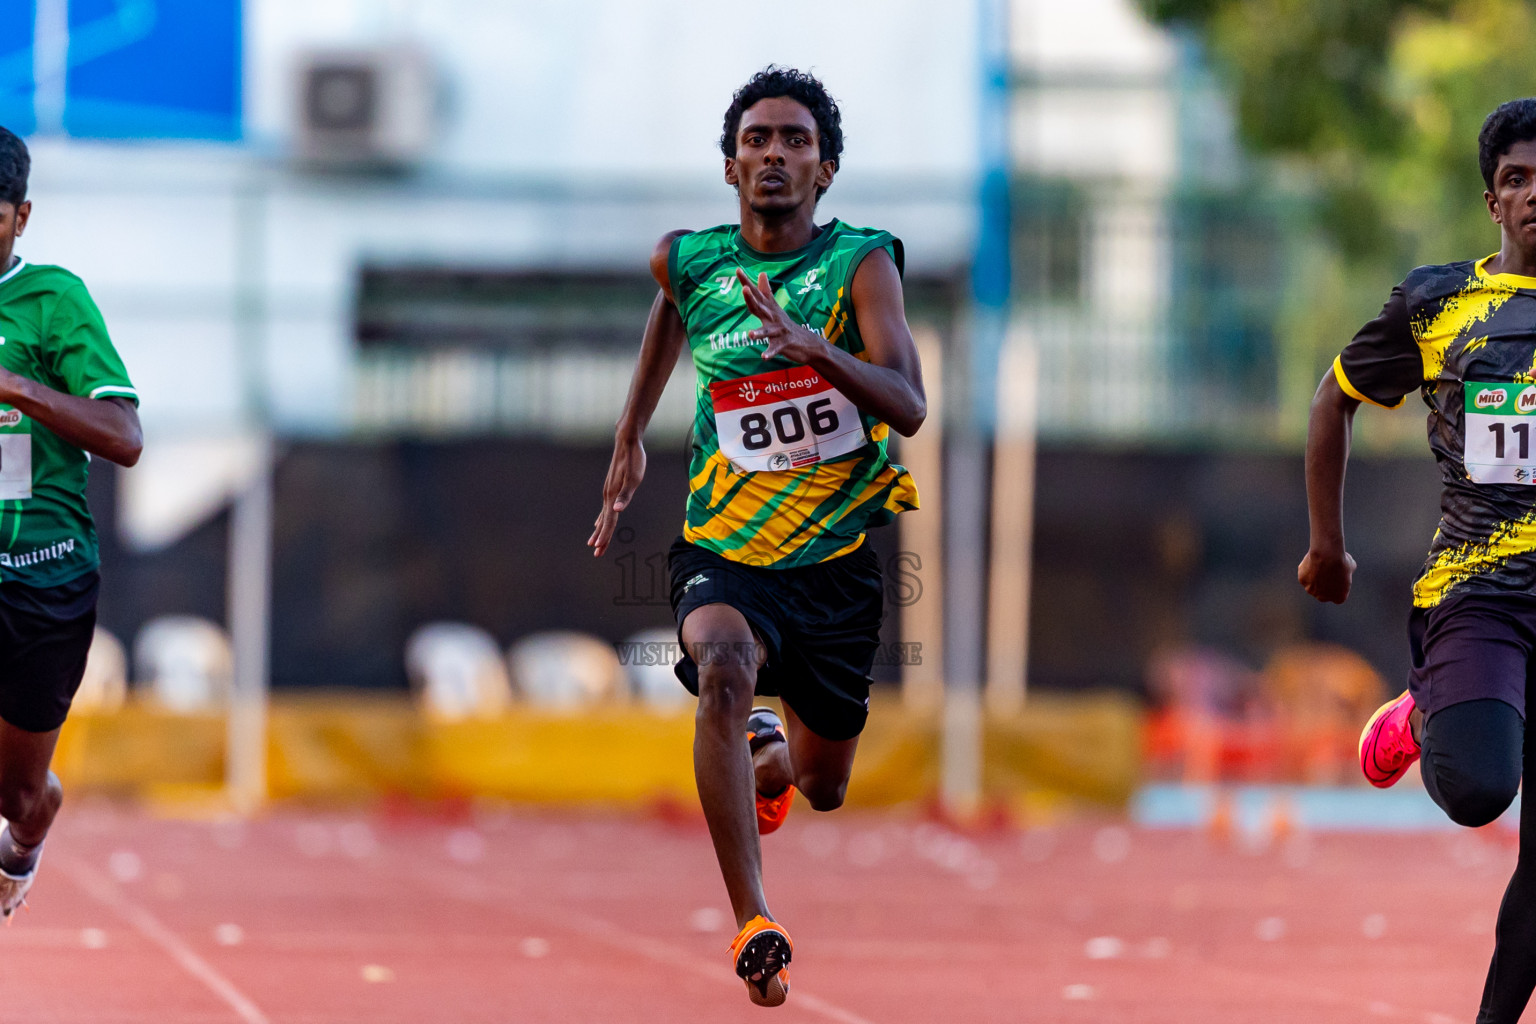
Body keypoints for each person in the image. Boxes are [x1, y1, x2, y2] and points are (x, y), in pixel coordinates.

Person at [588, 67, 924, 1007]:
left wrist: (817, 349)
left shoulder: (861, 264)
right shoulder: (688, 259)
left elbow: (910, 403)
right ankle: (754, 920)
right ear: (731, 165)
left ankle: (771, 756)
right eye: (757, 140)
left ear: (825, 170)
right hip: (724, 550)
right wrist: (629, 434)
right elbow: (671, 308)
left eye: (796, 141)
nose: (774, 154)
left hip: (834, 566)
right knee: (723, 669)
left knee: (823, 788)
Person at [1303, 98, 1536, 1023]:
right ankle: (1424, 703)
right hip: (1480, 593)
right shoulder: (1441, 302)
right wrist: (1327, 543)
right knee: (1480, 791)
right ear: (1492, 201)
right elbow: (1333, 397)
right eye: (1517, 179)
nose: (1534, 195)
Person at [0, 127, 143, 918]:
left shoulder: (54, 300)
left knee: (19, 792)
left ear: (21, 216)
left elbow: (125, 440)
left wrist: (16, 388)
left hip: (46, 576)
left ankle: (24, 844)